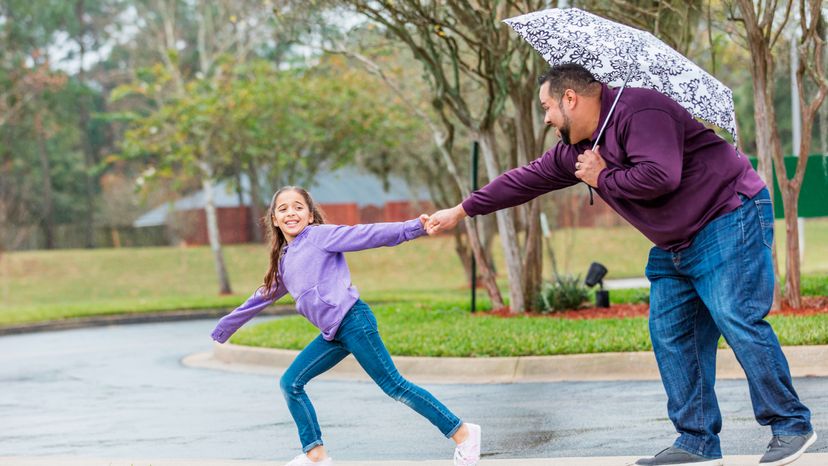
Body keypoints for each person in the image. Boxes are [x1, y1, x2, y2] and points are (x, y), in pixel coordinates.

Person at [425, 63, 815, 466]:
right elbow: (528, 178)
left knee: (737, 317)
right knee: (671, 333)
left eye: (547, 107)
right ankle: (696, 441)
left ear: (570, 98)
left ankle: (791, 425)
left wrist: (603, 176)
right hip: (676, 240)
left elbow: (661, 176)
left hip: (727, 214)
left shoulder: (643, 109)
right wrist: (462, 210)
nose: (546, 118)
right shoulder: (580, 147)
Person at [211, 186, 481, 466]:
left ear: (311, 215)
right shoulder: (284, 262)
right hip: (333, 334)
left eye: (298, 206)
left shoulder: (319, 236)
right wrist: (225, 327)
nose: (291, 212)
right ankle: (315, 455)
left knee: (395, 386)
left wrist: (415, 227)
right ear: (275, 220)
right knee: (291, 383)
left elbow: (367, 234)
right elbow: (261, 296)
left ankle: (462, 432)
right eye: (283, 208)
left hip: (354, 321)